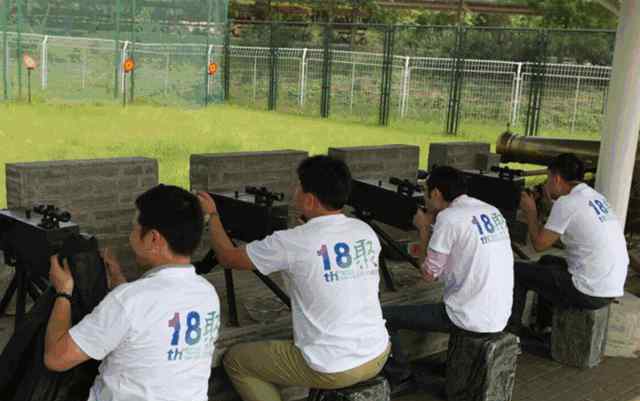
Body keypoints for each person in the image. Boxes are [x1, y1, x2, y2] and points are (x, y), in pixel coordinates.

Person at [197, 155, 389, 401]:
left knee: (237, 360)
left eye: (298, 185)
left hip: (333, 366)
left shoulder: (293, 242)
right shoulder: (364, 231)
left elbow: (228, 257)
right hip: (378, 351)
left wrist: (212, 216)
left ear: (309, 199)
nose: (293, 190)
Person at [44, 184, 220, 401]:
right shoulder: (207, 293)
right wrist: (118, 279)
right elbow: (149, 321)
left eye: (135, 228)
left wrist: (64, 292)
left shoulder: (129, 301)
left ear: (154, 239)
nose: (131, 237)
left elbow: (56, 358)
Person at [383, 165, 514, 383]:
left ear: (436, 194)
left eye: (425, 192)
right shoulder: (491, 210)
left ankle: (400, 373)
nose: (424, 198)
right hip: (499, 314)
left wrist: (424, 229)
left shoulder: (449, 218)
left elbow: (428, 274)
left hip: (468, 317)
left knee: (384, 316)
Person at [512, 153, 628, 332]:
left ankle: (512, 334)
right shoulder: (594, 196)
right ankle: (544, 327)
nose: (547, 184)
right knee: (547, 262)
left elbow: (539, 244)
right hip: (610, 285)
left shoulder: (567, 203)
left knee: (517, 271)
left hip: (589, 291)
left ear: (557, 178)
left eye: (548, 179)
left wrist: (530, 212)